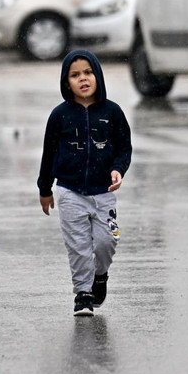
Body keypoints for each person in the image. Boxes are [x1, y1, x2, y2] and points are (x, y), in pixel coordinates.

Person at [37, 49, 132, 316]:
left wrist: (118, 169)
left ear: (98, 75)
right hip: (69, 192)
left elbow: (124, 148)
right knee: (78, 246)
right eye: (75, 75)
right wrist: (45, 188)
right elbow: (49, 153)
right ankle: (83, 294)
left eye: (88, 72)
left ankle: (99, 276)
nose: (83, 78)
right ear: (66, 83)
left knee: (107, 241)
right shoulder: (60, 115)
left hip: (104, 193)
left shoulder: (112, 112)